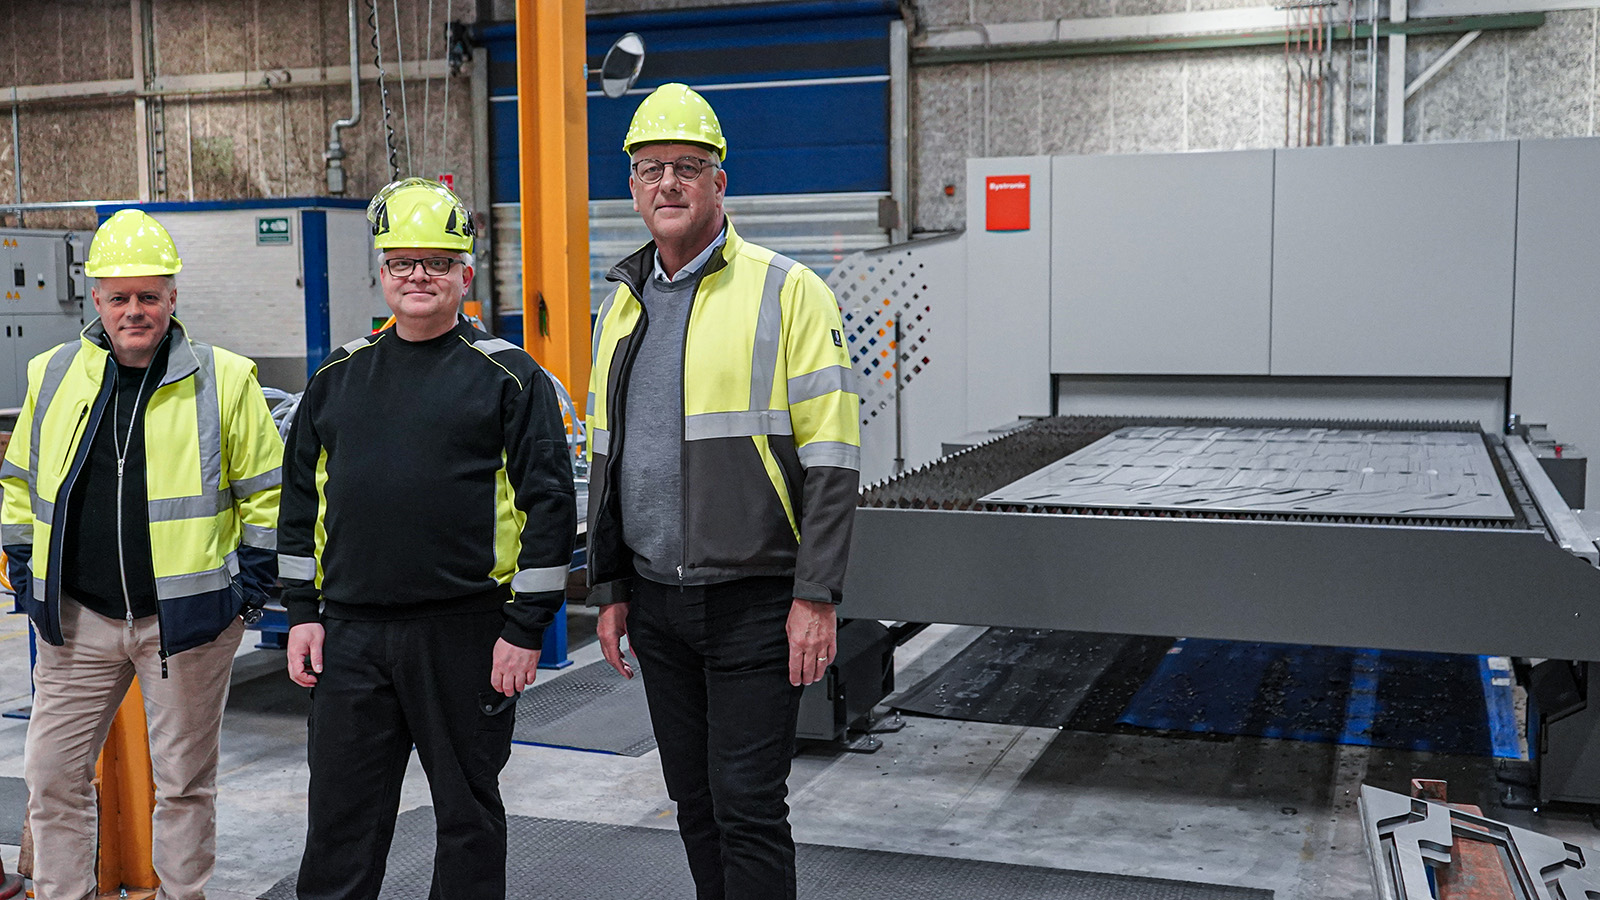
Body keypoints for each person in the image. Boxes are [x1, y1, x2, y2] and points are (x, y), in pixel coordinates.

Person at [587, 83, 862, 900]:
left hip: (755, 599)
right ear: (633, 187)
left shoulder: (788, 290)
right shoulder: (622, 305)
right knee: (694, 802)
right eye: (648, 169)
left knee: (748, 805)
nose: (666, 184)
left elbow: (835, 456)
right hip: (656, 603)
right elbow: (610, 459)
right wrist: (610, 587)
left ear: (719, 182)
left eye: (686, 167)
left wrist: (816, 595)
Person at [278, 178, 576, 900]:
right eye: (403, 261)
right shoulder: (337, 379)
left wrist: (526, 627)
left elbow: (551, 507)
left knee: (468, 818)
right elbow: (297, 502)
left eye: (437, 262)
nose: (419, 275)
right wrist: (303, 614)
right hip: (350, 638)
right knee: (340, 825)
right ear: (381, 273)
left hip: (466, 635)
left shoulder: (510, 377)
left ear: (465, 275)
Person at [1, 208, 283, 900]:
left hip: (185, 628)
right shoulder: (54, 372)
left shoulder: (225, 379)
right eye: (120, 297)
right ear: (96, 298)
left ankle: (185, 895)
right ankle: (65, 892)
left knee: (184, 784)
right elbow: (20, 483)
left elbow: (271, 498)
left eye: (148, 296)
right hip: (78, 622)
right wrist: (24, 566)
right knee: (51, 775)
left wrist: (243, 594)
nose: (135, 311)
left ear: (173, 297)